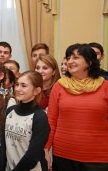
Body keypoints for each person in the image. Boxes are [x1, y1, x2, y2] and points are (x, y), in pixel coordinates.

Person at [45, 43, 108, 171]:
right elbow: (51, 121)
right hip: (63, 156)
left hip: (98, 158)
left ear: (90, 62)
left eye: (75, 57)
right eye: (68, 58)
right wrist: (46, 149)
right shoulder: (59, 86)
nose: (70, 61)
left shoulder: (105, 87)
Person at [0, 71, 50, 171]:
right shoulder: (10, 111)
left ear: (36, 91)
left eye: (23, 86)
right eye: (17, 84)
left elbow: (33, 155)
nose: (18, 89)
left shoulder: (40, 116)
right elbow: (3, 147)